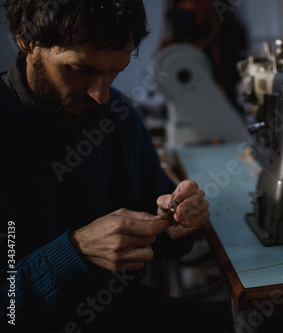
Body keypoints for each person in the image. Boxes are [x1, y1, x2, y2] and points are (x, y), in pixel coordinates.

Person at [0, 1, 230, 332]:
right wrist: (75, 252)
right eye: (81, 70)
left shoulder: (117, 116)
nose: (101, 95)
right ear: (27, 40)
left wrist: (174, 225)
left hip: (127, 313)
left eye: (115, 71)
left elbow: (156, 209)